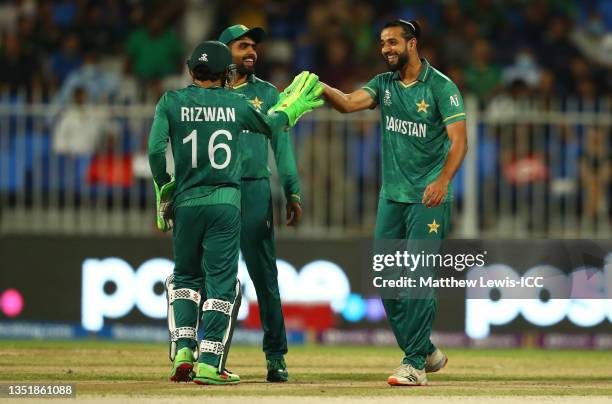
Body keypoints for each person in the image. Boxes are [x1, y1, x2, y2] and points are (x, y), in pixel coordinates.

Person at [147, 40, 323, 385]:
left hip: (185, 200)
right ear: (227, 73)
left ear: (190, 69)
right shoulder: (235, 102)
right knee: (222, 283)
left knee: (184, 278)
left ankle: (184, 350)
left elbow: (155, 150)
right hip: (226, 201)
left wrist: (163, 184)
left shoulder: (170, 101)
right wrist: (293, 109)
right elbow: (271, 127)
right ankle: (211, 363)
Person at [320, 19, 467, 386]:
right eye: (382, 43)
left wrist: (443, 179)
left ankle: (414, 364)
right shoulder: (383, 85)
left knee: (418, 277)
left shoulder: (440, 87)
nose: (385, 48)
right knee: (385, 279)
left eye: (392, 42)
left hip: (428, 199)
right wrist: (319, 88)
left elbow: (459, 141)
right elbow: (349, 104)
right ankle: (427, 350)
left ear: (412, 43)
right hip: (393, 197)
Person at [218, 24, 301, 382]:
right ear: (223, 52)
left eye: (254, 47)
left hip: (253, 190)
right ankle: (211, 354)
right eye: (242, 46)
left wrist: (292, 189)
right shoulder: (205, 94)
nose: (251, 52)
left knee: (264, 276)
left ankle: (276, 356)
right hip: (213, 189)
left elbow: (281, 146)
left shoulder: (267, 93)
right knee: (214, 278)